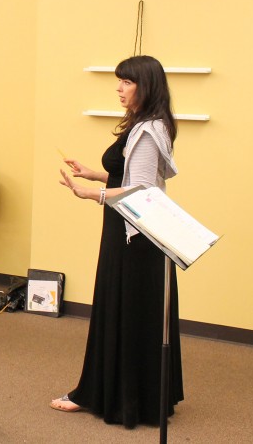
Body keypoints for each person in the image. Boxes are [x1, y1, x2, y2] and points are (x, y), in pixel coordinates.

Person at [52, 55, 184, 428]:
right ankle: (132, 395)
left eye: (126, 82)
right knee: (130, 312)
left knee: (124, 311)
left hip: (133, 238)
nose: (119, 88)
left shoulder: (146, 130)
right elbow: (128, 173)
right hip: (137, 235)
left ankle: (121, 400)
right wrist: (93, 173)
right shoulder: (149, 124)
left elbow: (139, 191)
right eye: (119, 82)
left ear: (145, 85)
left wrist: (89, 192)